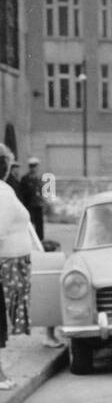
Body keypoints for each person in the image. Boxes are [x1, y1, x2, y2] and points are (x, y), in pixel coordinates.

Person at [0, 147, 33, 381]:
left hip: (13, 263)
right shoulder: (4, 191)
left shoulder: (12, 187)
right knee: (4, 320)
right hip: (7, 265)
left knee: (7, 320)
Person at [19, 157, 45, 241]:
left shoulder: (39, 178)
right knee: (30, 223)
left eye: (35, 166)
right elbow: (23, 192)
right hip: (29, 204)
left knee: (39, 223)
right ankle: (30, 239)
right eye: (32, 167)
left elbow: (41, 190)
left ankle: (40, 238)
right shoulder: (25, 179)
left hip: (38, 204)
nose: (34, 169)